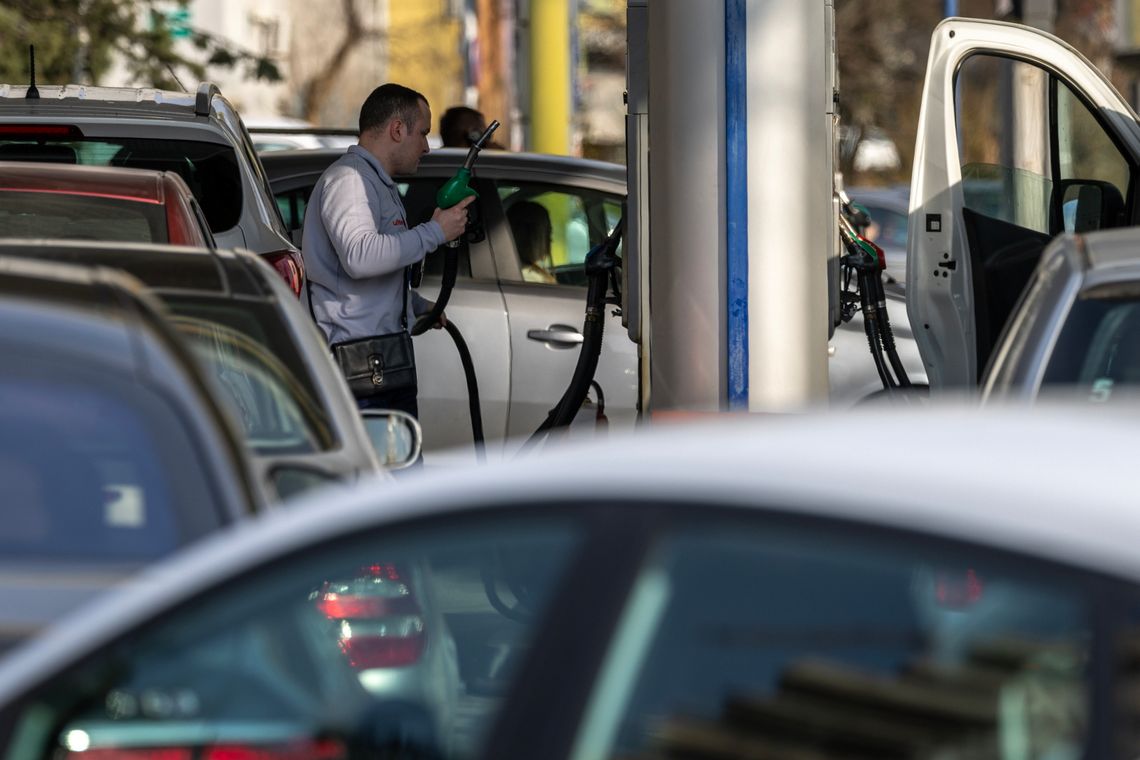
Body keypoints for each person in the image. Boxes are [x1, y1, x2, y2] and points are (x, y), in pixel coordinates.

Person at [302, 83, 473, 417]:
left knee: (399, 463)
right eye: (422, 133)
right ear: (397, 129)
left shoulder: (374, 182)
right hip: (353, 368)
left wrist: (414, 305)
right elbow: (360, 257)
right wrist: (435, 232)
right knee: (379, 468)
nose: (426, 147)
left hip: (380, 361)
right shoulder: (349, 180)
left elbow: (368, 277)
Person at [507, 201, 557, 284]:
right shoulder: (532, 279)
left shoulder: (507, 269)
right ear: (533, 237)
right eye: (548, 233)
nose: (551, 240)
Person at [439, 105, 505, 149]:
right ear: (473, 136)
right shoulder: (483, 163)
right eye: (483, 135)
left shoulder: (435, 162)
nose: (488, 141)